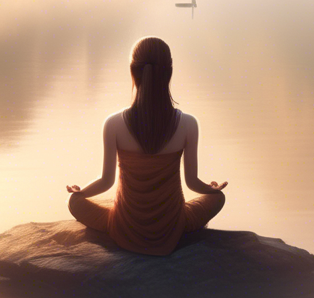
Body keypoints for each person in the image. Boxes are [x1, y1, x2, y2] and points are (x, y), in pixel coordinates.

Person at [66, 36, 227, 255]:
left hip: (123, 227)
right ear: (169, 73)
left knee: (74, 202)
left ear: (133, 72)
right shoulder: (188, 124)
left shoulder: (113, 123)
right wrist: (212, 190)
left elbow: (106, 181)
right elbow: (192, 182)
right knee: (218, 199)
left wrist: (81, 192)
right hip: (172, 229)